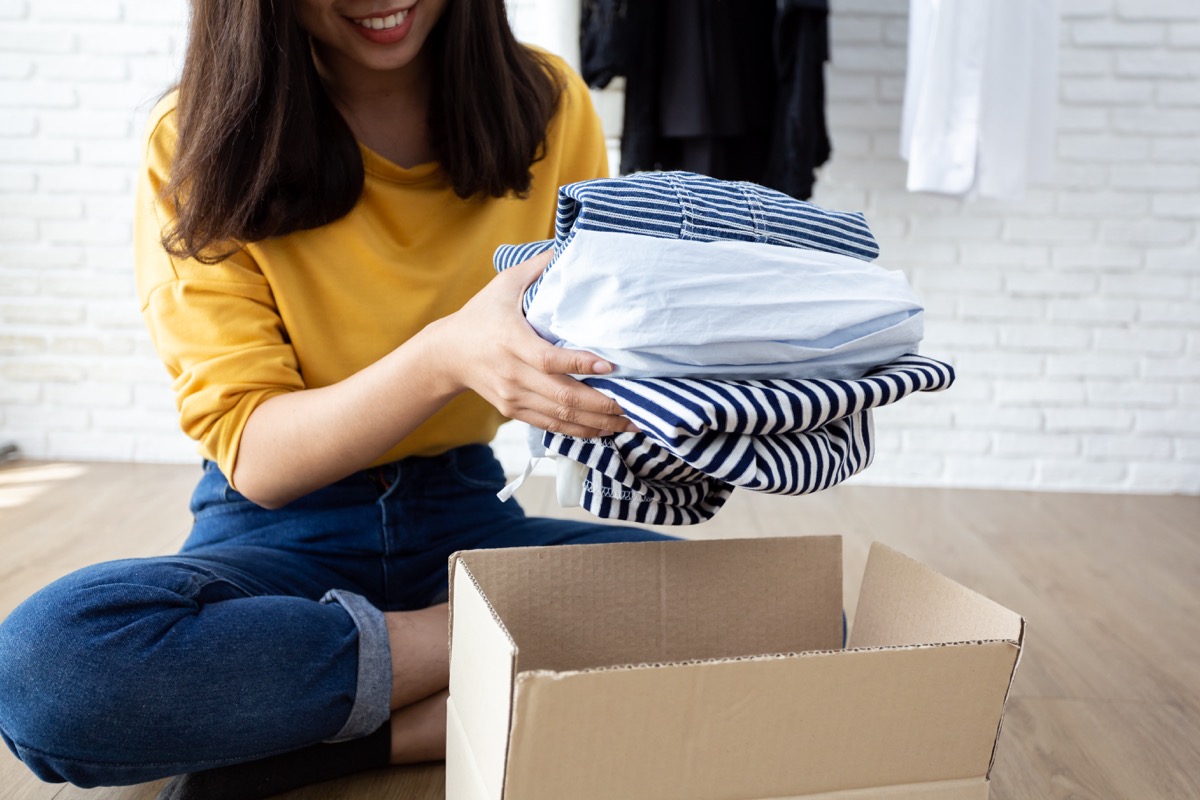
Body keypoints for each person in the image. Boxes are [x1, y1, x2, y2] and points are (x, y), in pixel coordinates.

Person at [0, 0, 672, 795]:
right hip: (278, 535)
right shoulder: (194, 141)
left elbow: (591, 343)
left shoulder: (551, 105)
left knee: (768, 613)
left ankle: (338, 732)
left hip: (463, 510)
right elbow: (256, 453)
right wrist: (443, 357)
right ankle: (464, 668)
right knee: (49, 670)